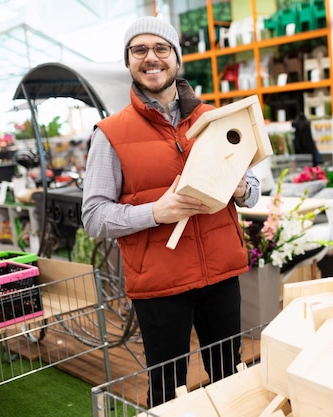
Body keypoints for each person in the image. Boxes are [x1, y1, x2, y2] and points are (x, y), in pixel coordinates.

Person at [81, 15, 260, 407]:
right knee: (167, 390)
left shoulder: (215, 118)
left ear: (177, 59)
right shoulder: (110, 134)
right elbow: (94, 216)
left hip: (220, 275)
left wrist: (242, 187)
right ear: (128, 61)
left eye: (161, 48)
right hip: (160, 284)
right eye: (139, 50)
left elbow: (255, 189)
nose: (151, 58)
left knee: (230, 377)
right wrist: (155, 212)